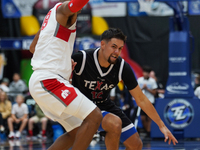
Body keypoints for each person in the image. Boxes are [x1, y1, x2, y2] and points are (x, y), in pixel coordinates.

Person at [70, 28, 178, 149]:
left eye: (120, 48)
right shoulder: (81, 58)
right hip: (81, 105)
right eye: (114, 46)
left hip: (103, 104)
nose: (117, 52)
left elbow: (140, 98)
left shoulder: (121, 66)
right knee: (114, 124)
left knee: (136, 145)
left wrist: (161, 125)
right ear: (103, 44)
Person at [28, 0, 102, 149]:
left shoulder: (50, 18)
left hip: (45, 80)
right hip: (48, 80)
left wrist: (64, 61)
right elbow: (74, 5)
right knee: (95, 116)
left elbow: (33, 48)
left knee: (75, 132)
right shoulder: (62, 10)